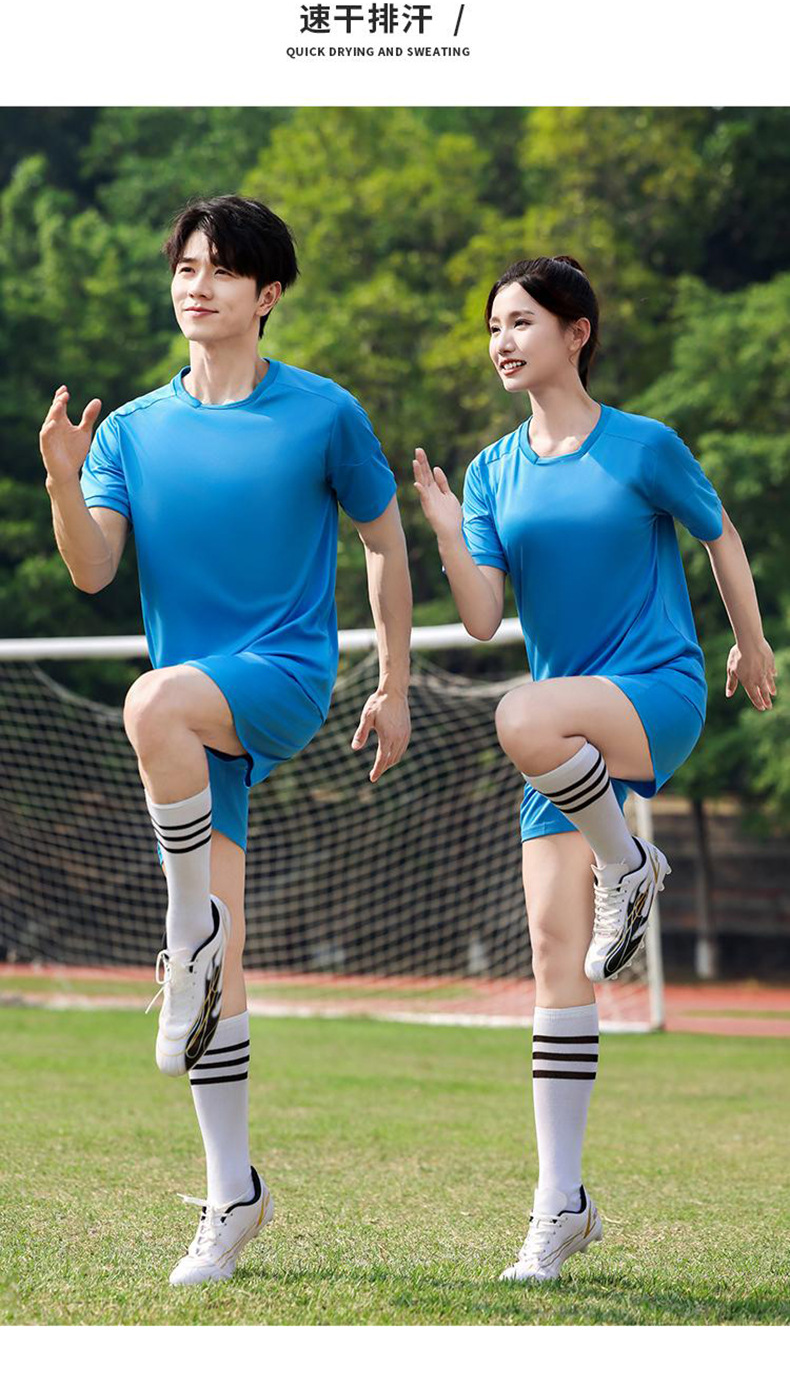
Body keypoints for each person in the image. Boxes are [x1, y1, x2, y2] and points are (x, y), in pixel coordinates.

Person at [40, 193, 412, 1285]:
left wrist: (393, 682)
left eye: (220, 269)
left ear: (267, 293)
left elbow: (384, 543)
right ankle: (232, 1192)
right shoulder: (134, 430)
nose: (195, 285)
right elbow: (91, 569)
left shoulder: (323, 413)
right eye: (185, 267)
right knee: (228, 950)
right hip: (195, 727)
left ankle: (183, 938)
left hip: (283, 674)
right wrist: (63, 479)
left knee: (148, 702)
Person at [413, 254, 777, 1283]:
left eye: (522, 322)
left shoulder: (642, 445)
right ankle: (560, 1203)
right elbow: (482, 617)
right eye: (493, 326)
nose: (502, 341)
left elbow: (720, 536)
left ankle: (628, 865)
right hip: (564, 746)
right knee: (554, 954)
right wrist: (444, 532)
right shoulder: (491, 471)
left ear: (576, 332)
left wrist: (751, 644)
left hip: (651, 692)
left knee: (518, 712)